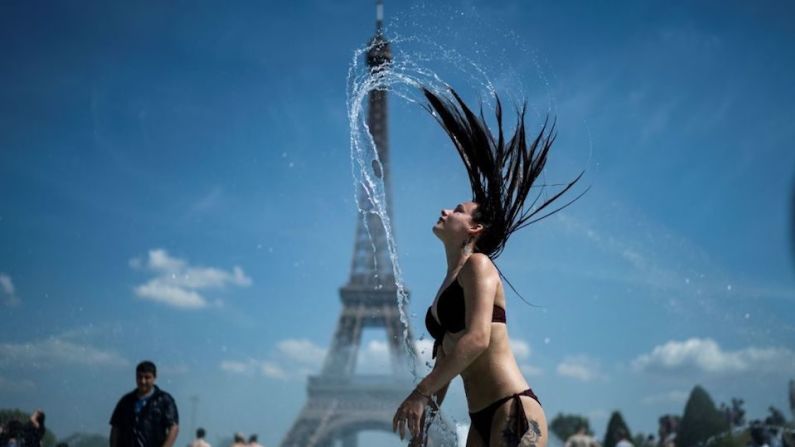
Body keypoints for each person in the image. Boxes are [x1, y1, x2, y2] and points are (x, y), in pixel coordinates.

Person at [392, 87, 584, 447]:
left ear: (474, 229)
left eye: (457, 211)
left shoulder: (479, 265)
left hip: (512, 408)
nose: (446, 212)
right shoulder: (446, 287)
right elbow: (448, 361)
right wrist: (425, 425)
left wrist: (419, 392)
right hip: (480, 419)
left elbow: (477, 339)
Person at [110, 360, 179, 447]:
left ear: (154, 377)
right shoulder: (126, 401)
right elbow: (115, 428)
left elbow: (173, 428)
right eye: (139, 377)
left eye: (147, 377)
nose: (143, 381)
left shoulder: (164, 400)